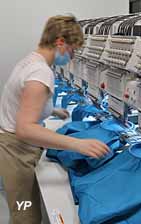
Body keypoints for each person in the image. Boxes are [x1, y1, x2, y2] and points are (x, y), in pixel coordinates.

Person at [0, 15, 110, 224]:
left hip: (13, 148)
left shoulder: (31, 61)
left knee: (24, 209)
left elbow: (24, 101)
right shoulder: (40, 73)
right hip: (17, 154)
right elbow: (25, 129)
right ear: (60, 42)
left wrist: (52, 110)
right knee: (26, 214)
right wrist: (78, 144)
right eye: (72, 50)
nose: (73, 56)